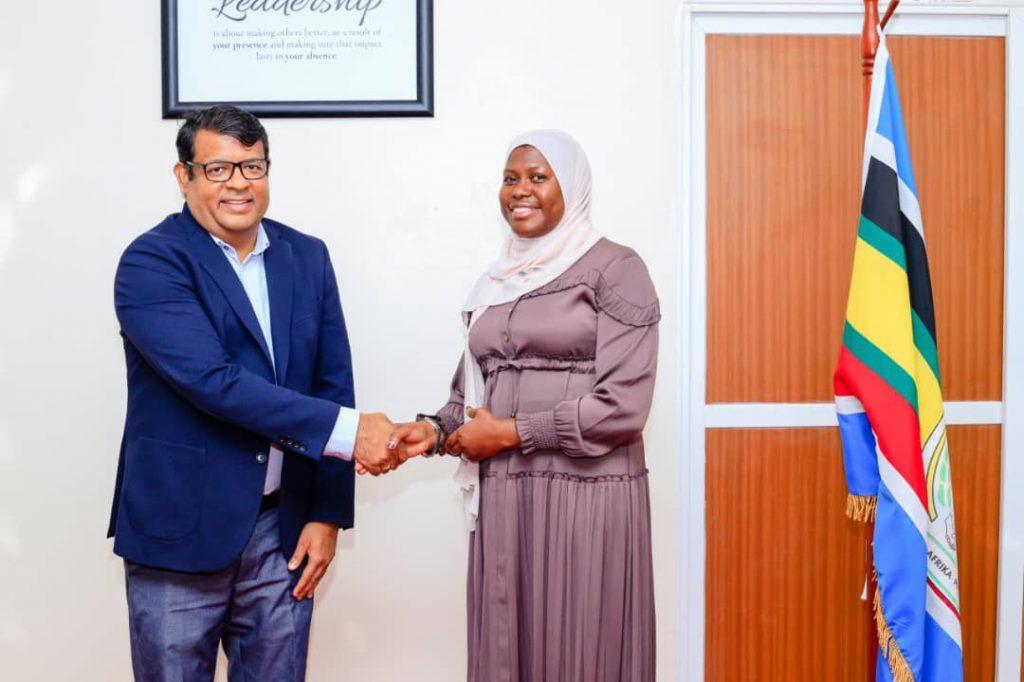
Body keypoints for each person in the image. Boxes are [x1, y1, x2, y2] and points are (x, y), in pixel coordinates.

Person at [107, 105, 399, 681]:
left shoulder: (307, 255)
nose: (239, 183)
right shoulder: (151, 262)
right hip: (178, 533)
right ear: (183, 176)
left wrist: (327, 513)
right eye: (217, 169)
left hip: (282, 530)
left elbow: (331, 383)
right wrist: (353, 432)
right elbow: (212, 381)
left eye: (252, 166)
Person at [385, 130, 659, 681]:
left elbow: (622, 406)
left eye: (538, 177)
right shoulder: (496, 282)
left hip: (586, 494)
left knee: (581, 644)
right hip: (507, 494)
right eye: (511, 179)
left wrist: (512, 434)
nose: (520, 191)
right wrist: (434, 433)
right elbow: (471, 394)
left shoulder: (616, 268)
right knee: (509, 646)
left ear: (572, 187)